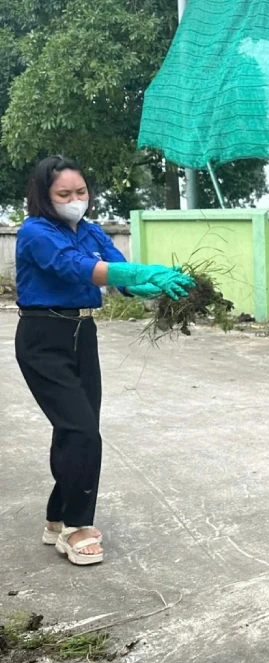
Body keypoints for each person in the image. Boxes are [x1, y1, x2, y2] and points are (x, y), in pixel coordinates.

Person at [15, 155, 194, 566]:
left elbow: (116, 269)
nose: (75, 200)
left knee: (76, 428)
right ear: (44, 196)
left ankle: (57, 518)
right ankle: (77, 526)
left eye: (80, 191)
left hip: (83, 334)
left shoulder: (92, 231)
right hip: (43, 337)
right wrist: (135, 273)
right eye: (64, 194)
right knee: (81, 430)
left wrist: (148, 284)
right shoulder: (35, 232)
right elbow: (76, 267)